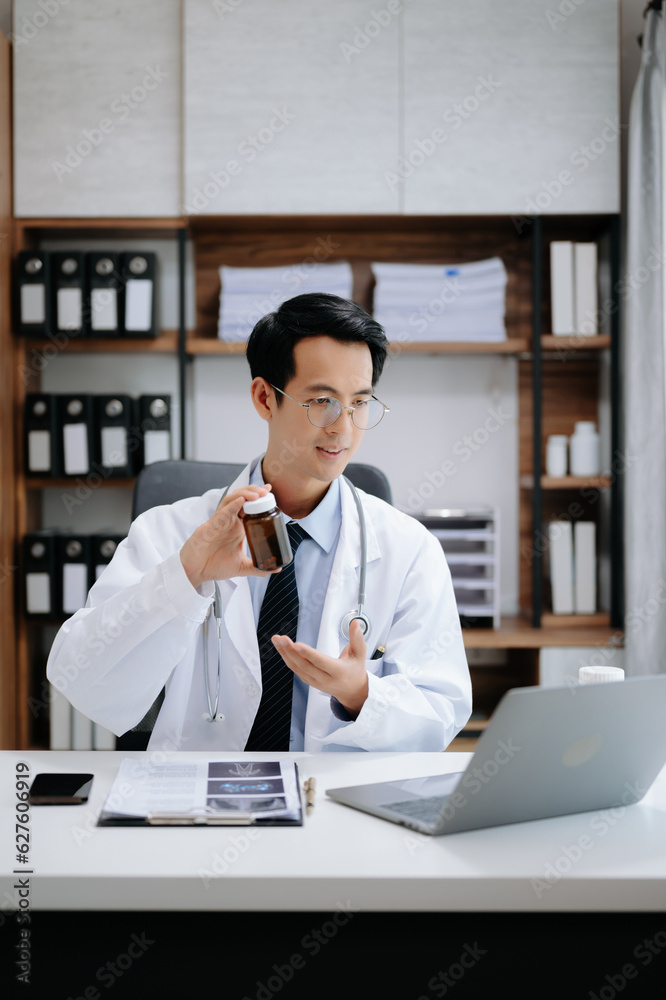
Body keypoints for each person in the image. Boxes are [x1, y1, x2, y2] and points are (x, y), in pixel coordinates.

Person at [47, 293, 472, 752]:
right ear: (265, 397)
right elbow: (81, 679)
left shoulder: (410, 549)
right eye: (322, 401)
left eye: (360, 403)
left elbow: (441, 713)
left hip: (335, 808)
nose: (343, 429)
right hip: (197, 802)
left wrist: (360, 694)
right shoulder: (170, 530)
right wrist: (185, 575)